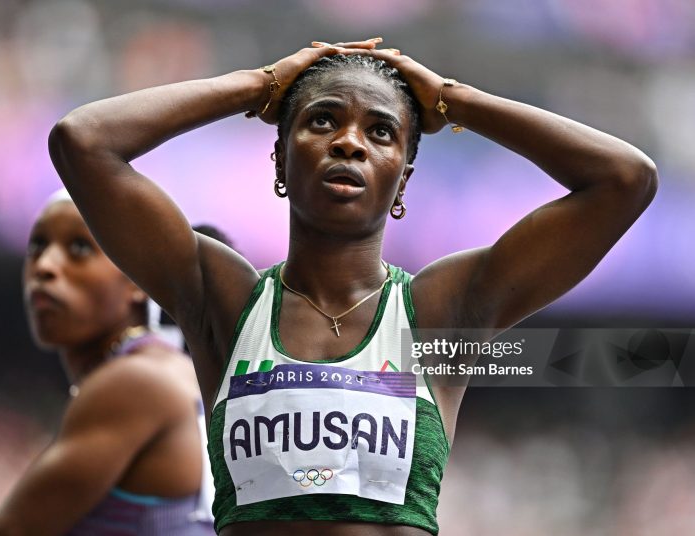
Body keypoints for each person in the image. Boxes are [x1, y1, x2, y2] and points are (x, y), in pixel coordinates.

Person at [47, 38, 657, 535]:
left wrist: (451, 100)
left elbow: (623, 180)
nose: (348, 142)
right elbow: (85, 142)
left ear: (403, 179)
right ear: (281, 160)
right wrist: (260, 85)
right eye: (321, 120)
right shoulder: (224, 301)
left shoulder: (442, 311)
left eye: (381, 132)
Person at [0, 191, 213, 535]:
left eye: (79, 248)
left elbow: (12, 530)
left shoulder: (135, 382)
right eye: (37, 246)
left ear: (138, 278)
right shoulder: (162, 366)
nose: (44, 266)